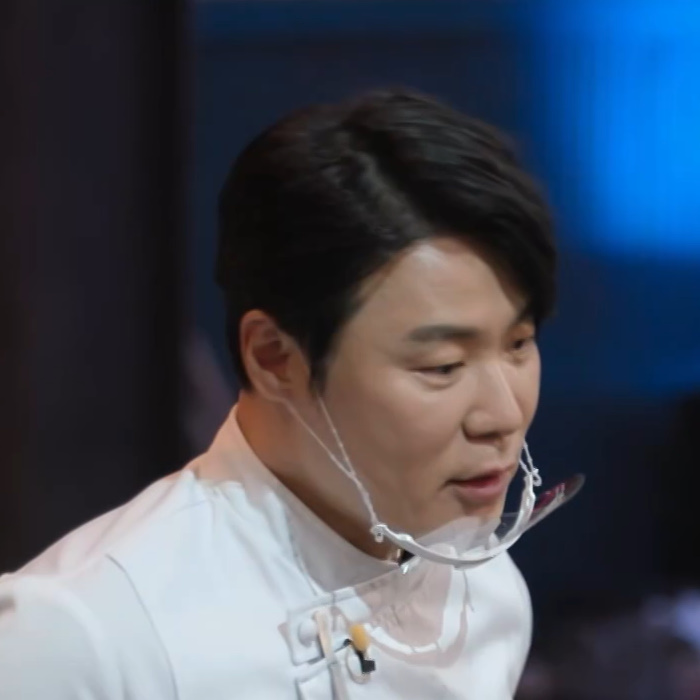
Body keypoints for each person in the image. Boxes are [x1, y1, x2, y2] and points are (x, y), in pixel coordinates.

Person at [0, 89, 569, 699]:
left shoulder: (486, 591)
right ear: (274, 357)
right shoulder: (83, 631)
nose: (503, 414)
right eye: (442, 365)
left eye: (518, 344)